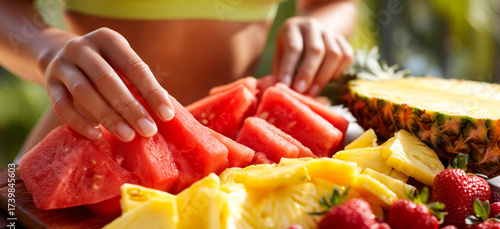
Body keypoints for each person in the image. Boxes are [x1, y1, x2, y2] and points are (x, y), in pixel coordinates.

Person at [0, 0, 357, 160]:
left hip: (235, 158)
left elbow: (334, 3)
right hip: (91, 151)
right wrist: (48, 50)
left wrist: (321, 27)